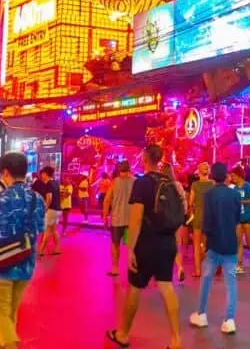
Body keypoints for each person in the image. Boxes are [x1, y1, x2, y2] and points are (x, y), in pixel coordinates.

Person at [108, 145, 183, 349]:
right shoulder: (170, 183)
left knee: (135, 287)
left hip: (147, 244)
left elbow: (136, 218)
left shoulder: (142, 183)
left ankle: (123, 334)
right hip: (167, 242)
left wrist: (131, 248)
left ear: (145, 158)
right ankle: (176, 339)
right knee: (166, 286)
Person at [0, 152, 47, 349]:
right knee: (11, 311)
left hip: (0, 263)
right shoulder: (37, 199)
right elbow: (40, 228)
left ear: (6, 172)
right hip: (25, 262)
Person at [189, 162, 241, 334]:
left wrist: (204, 242)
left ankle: (201, 314)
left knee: (206, 280)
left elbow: (207, 221)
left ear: (212, 176)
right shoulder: (235, 195)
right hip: (230, 244)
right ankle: (229, 320)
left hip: (214, 243)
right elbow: (236, 219)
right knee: (231, 283)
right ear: (226, 175)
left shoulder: (208, 194)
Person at [102, 161, 134, 277]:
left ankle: (115, 268)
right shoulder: (135, 182)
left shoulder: (114, 183)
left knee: (115, 244)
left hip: (117, 220)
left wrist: (105, 217)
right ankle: (132, 268)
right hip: (131, 220)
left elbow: (107, 200)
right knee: (131, 245)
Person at [231, 166, 250, 275]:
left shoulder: (248, 186)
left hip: (248, 217)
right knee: (238, 242)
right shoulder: (234, 188)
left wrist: (242, 201)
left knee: (249, 242)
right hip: (238, 218)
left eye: (233, 176)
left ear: (239, 175)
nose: (232, 178)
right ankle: (239, 265)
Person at [161, 162, 188, 282]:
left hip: (164, 219)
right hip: (177, 219)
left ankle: (164, 271)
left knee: (162, 245)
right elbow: (184, 202)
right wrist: (184, 214)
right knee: (177, 245)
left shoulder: (161, 185)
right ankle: (180, 267)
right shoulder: (178, 185)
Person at [188, 162, 214, 278]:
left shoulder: (195, 185)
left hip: (198, 216)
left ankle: (198, 271)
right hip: (210, 217)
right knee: (206, 244)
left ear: (198, 172)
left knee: (196, 244)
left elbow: (190, 202)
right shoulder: (213, 184)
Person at [31, 167, 62, 255]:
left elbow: (49, 198)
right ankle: (57, 248)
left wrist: (45, 209)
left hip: (51, 209)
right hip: (58, 209)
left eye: (42, 174)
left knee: (47, 231)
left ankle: (41, 250)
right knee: (53, 230)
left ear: (45, 173)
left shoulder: (48, 184)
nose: (41, 176)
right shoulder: (56, 183)